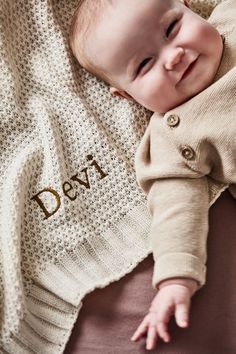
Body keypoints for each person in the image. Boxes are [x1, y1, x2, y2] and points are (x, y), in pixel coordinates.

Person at [69, 0, 236, 350]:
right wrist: (176, 281)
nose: (173, 55)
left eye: (172, 28)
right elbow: (176, 212)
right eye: (145, 64)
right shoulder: (171, 138)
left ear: (191, 8)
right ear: (127, 95)